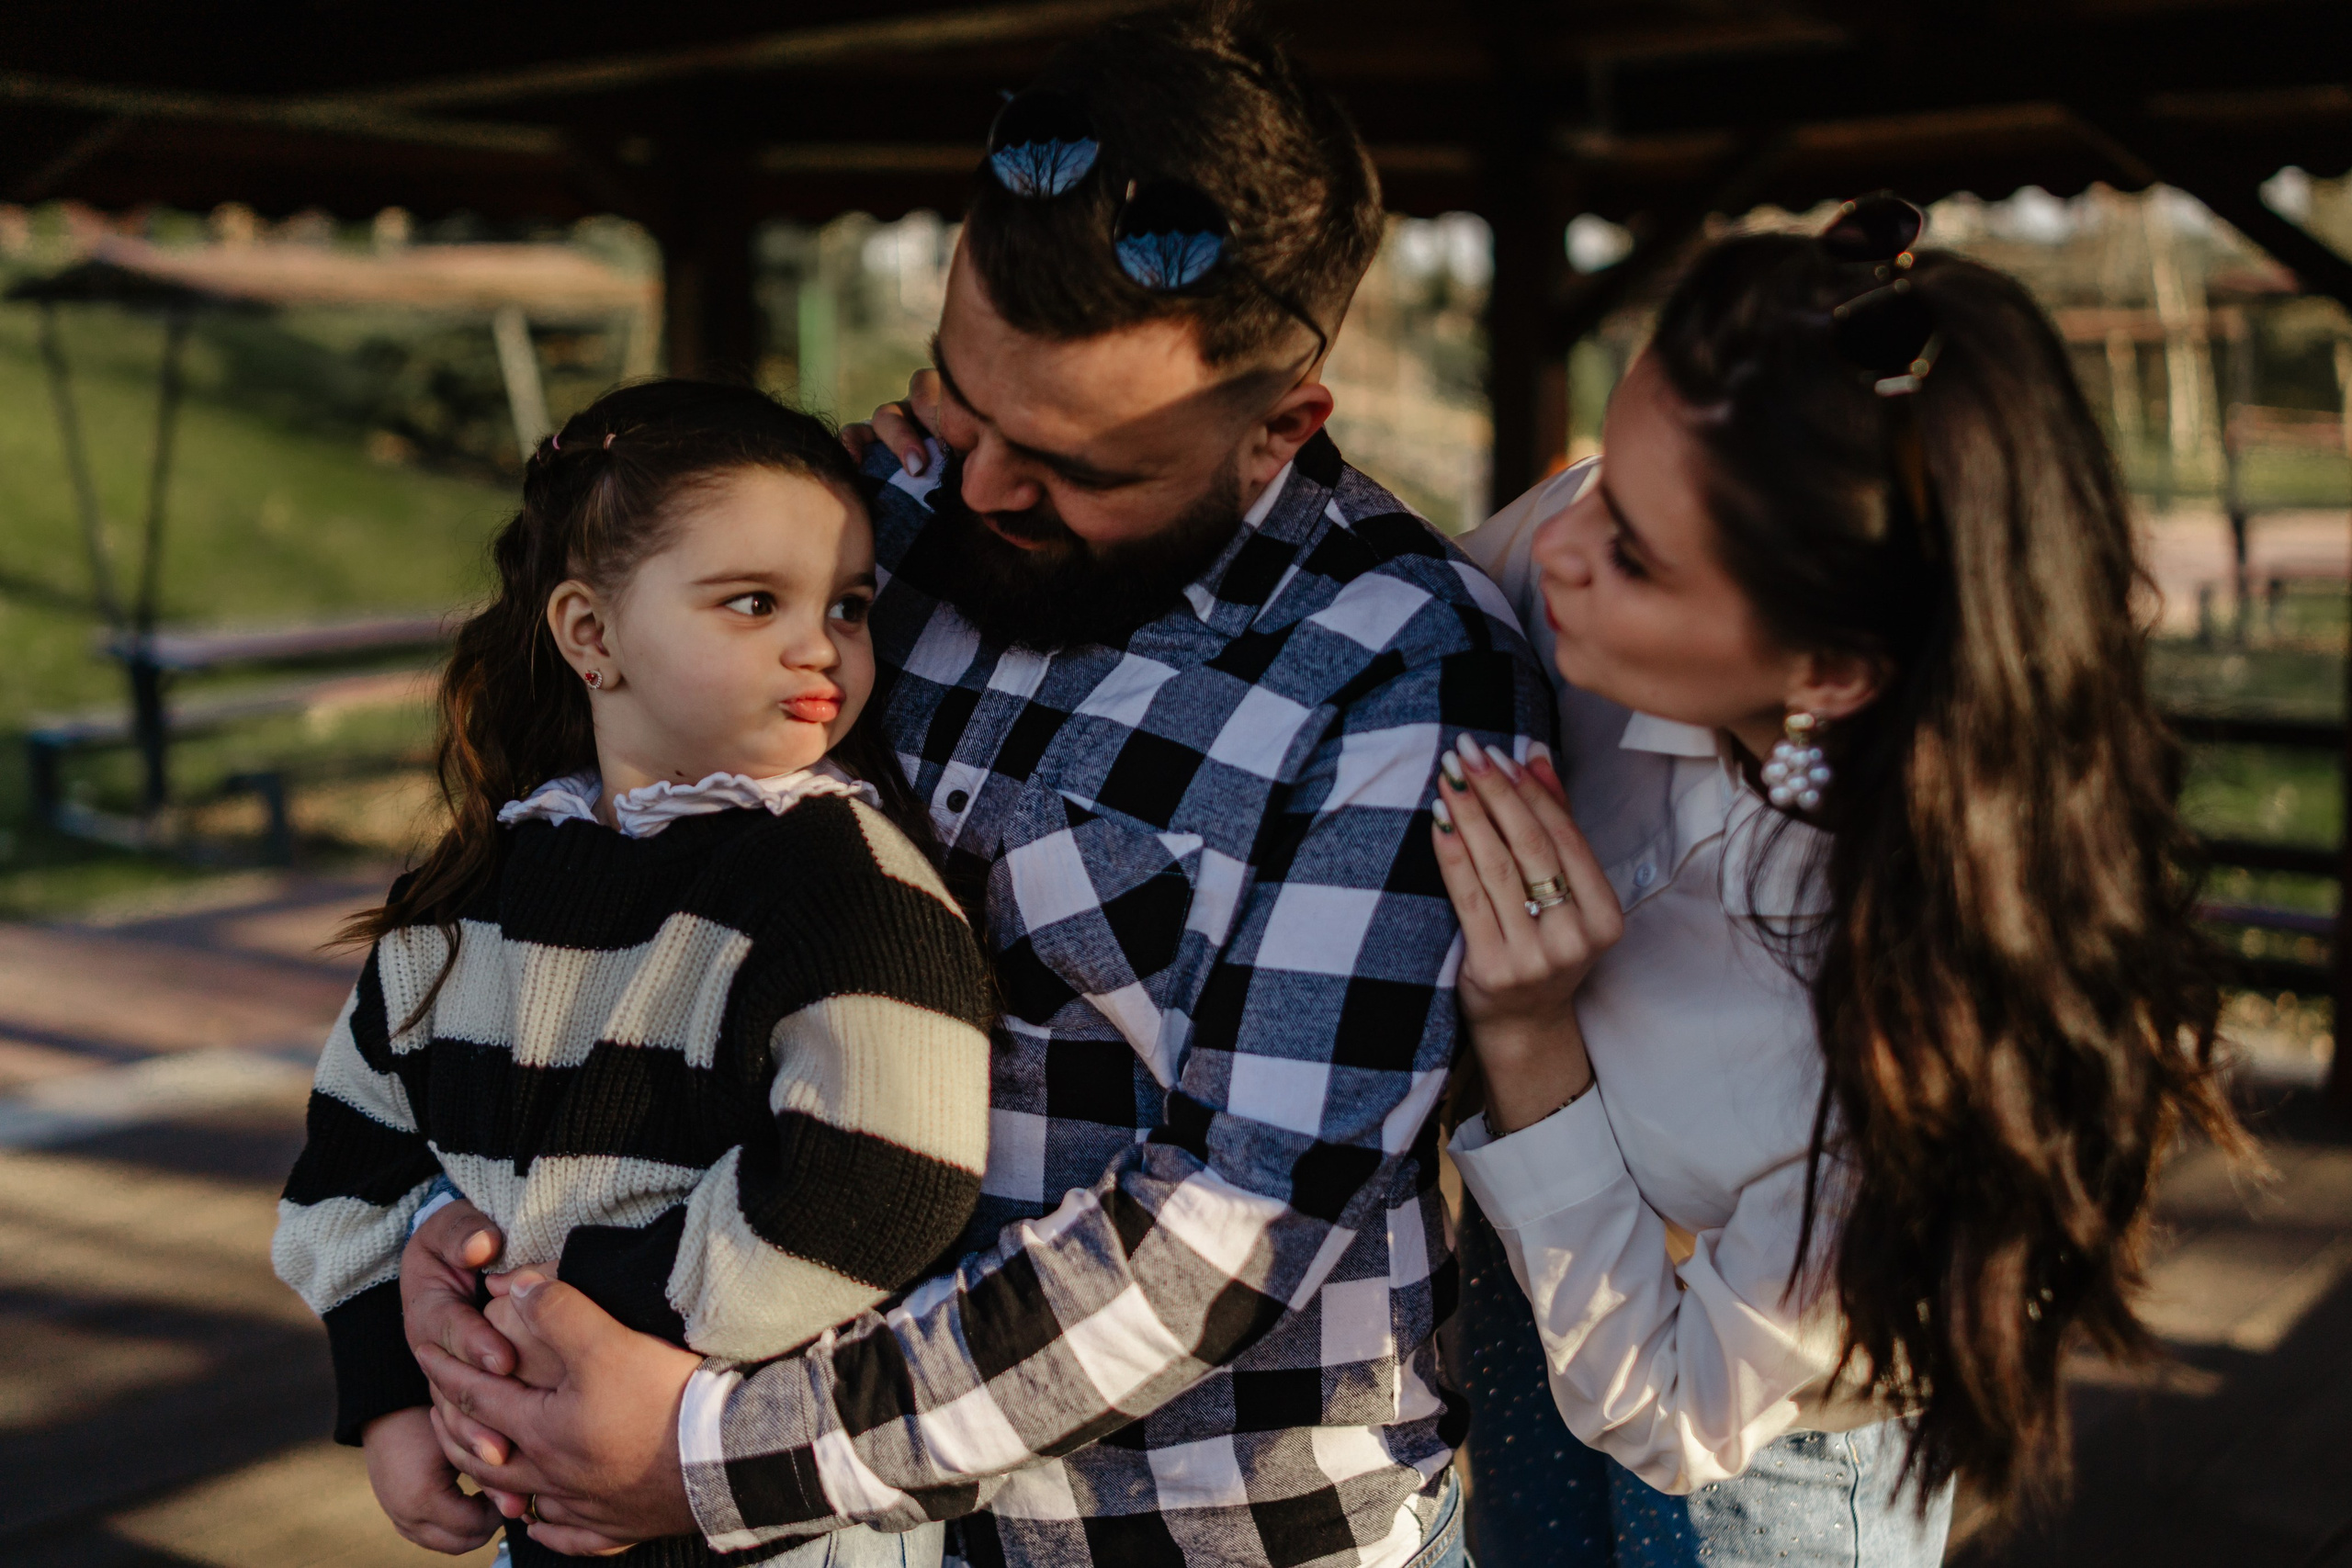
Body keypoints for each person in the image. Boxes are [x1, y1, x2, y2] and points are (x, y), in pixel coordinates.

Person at [396, 9, 1553, 1568]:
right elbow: (590, 875)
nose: (983, 485)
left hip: (1171, 1531)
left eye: (1079, 465)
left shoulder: (1400, 679)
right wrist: (443, 1229)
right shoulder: (865, 526)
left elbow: (1229, 1230)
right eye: (961, 397)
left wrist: (714, 1457)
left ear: (1282, 426)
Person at [1427, 206, 2245, 1564]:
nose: (1557, 538)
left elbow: (1674, 1404)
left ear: (1831, 671)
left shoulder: (1934, 1026)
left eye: (1633, 551)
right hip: (1529, 1281)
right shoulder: (1599, 555)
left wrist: (1525, 1036)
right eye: (1597, 480)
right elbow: (1408, 606)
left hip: (1765, 1446)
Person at [271, 379, 998, 1568]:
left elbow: (884, 1178)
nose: (820, 645)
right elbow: (354, 1159)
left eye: (850, 606)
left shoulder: (846, 885)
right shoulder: (473, 896)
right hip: (544, 1510)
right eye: (754, 602)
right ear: (591, 635)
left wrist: (564, 1305)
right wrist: (395, 1400)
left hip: (768, 1515)